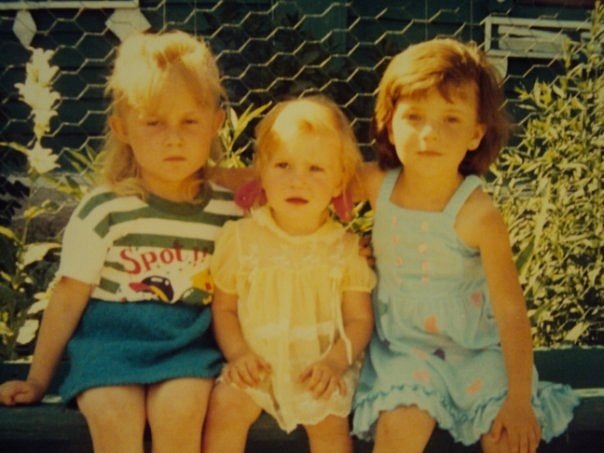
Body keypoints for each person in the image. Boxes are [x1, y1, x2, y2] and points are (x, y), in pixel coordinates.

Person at [0, 30, 241, 453]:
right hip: (109, 349)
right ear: (122, 127)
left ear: (216, 123)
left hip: (186, 348)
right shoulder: (105, 209)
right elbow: (67, 297)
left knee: (181, 410)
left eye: (190, 121)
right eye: (153, 122)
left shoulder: (229, 212)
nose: (173, 138)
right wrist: (38, 379)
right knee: (113, 414)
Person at [351, 38, 579, 452]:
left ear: (476, 134)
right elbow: (303, 188)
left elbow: (511, 311)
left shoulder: (477, 214)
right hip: (405, 352)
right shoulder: (375, 183)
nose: (430, 134)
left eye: (451, 119)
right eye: (414, 116)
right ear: (389, 124)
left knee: (506, 435)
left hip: (476, 351)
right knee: (399, 427)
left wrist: (519, 400)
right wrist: (341, 248)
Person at [202, 96, 376, 453]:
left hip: (318, 368)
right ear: (262, 172)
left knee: (329, 422)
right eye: (283, 165)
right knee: (226, 405)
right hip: (256, 364)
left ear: (340, 181)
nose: (298, 181)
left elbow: (359, 319)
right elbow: (224, 308)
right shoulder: (240, 239)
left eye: (316, 169)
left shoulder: (345, 249)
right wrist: (238, 355)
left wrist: (335, 363)